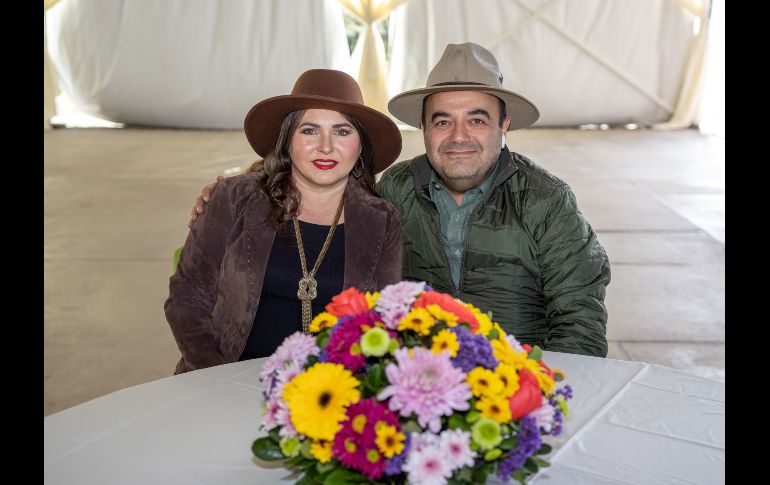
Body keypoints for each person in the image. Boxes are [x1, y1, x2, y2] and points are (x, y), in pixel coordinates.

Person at [191, 43, 611, 358]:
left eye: (477, 120)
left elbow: (580, 315)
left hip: (516, 379)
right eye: (442, 120)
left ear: (504, 124)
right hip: (413, 383)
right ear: (424, 129)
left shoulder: (546, 200)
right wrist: (242, 188)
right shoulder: (392, 189)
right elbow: (316, 183)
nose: (459, 137)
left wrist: (543, 394)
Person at [166, 69, 404, 374]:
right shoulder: (234, 198)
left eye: (342, 132)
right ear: (287, 140)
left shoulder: (381, 221)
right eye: (309, 130)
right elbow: (187, 298)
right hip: (224, 376)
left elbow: (383, 320)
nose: (326, 146)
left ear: (360, 148)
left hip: (329, 391)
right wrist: (216, 377)